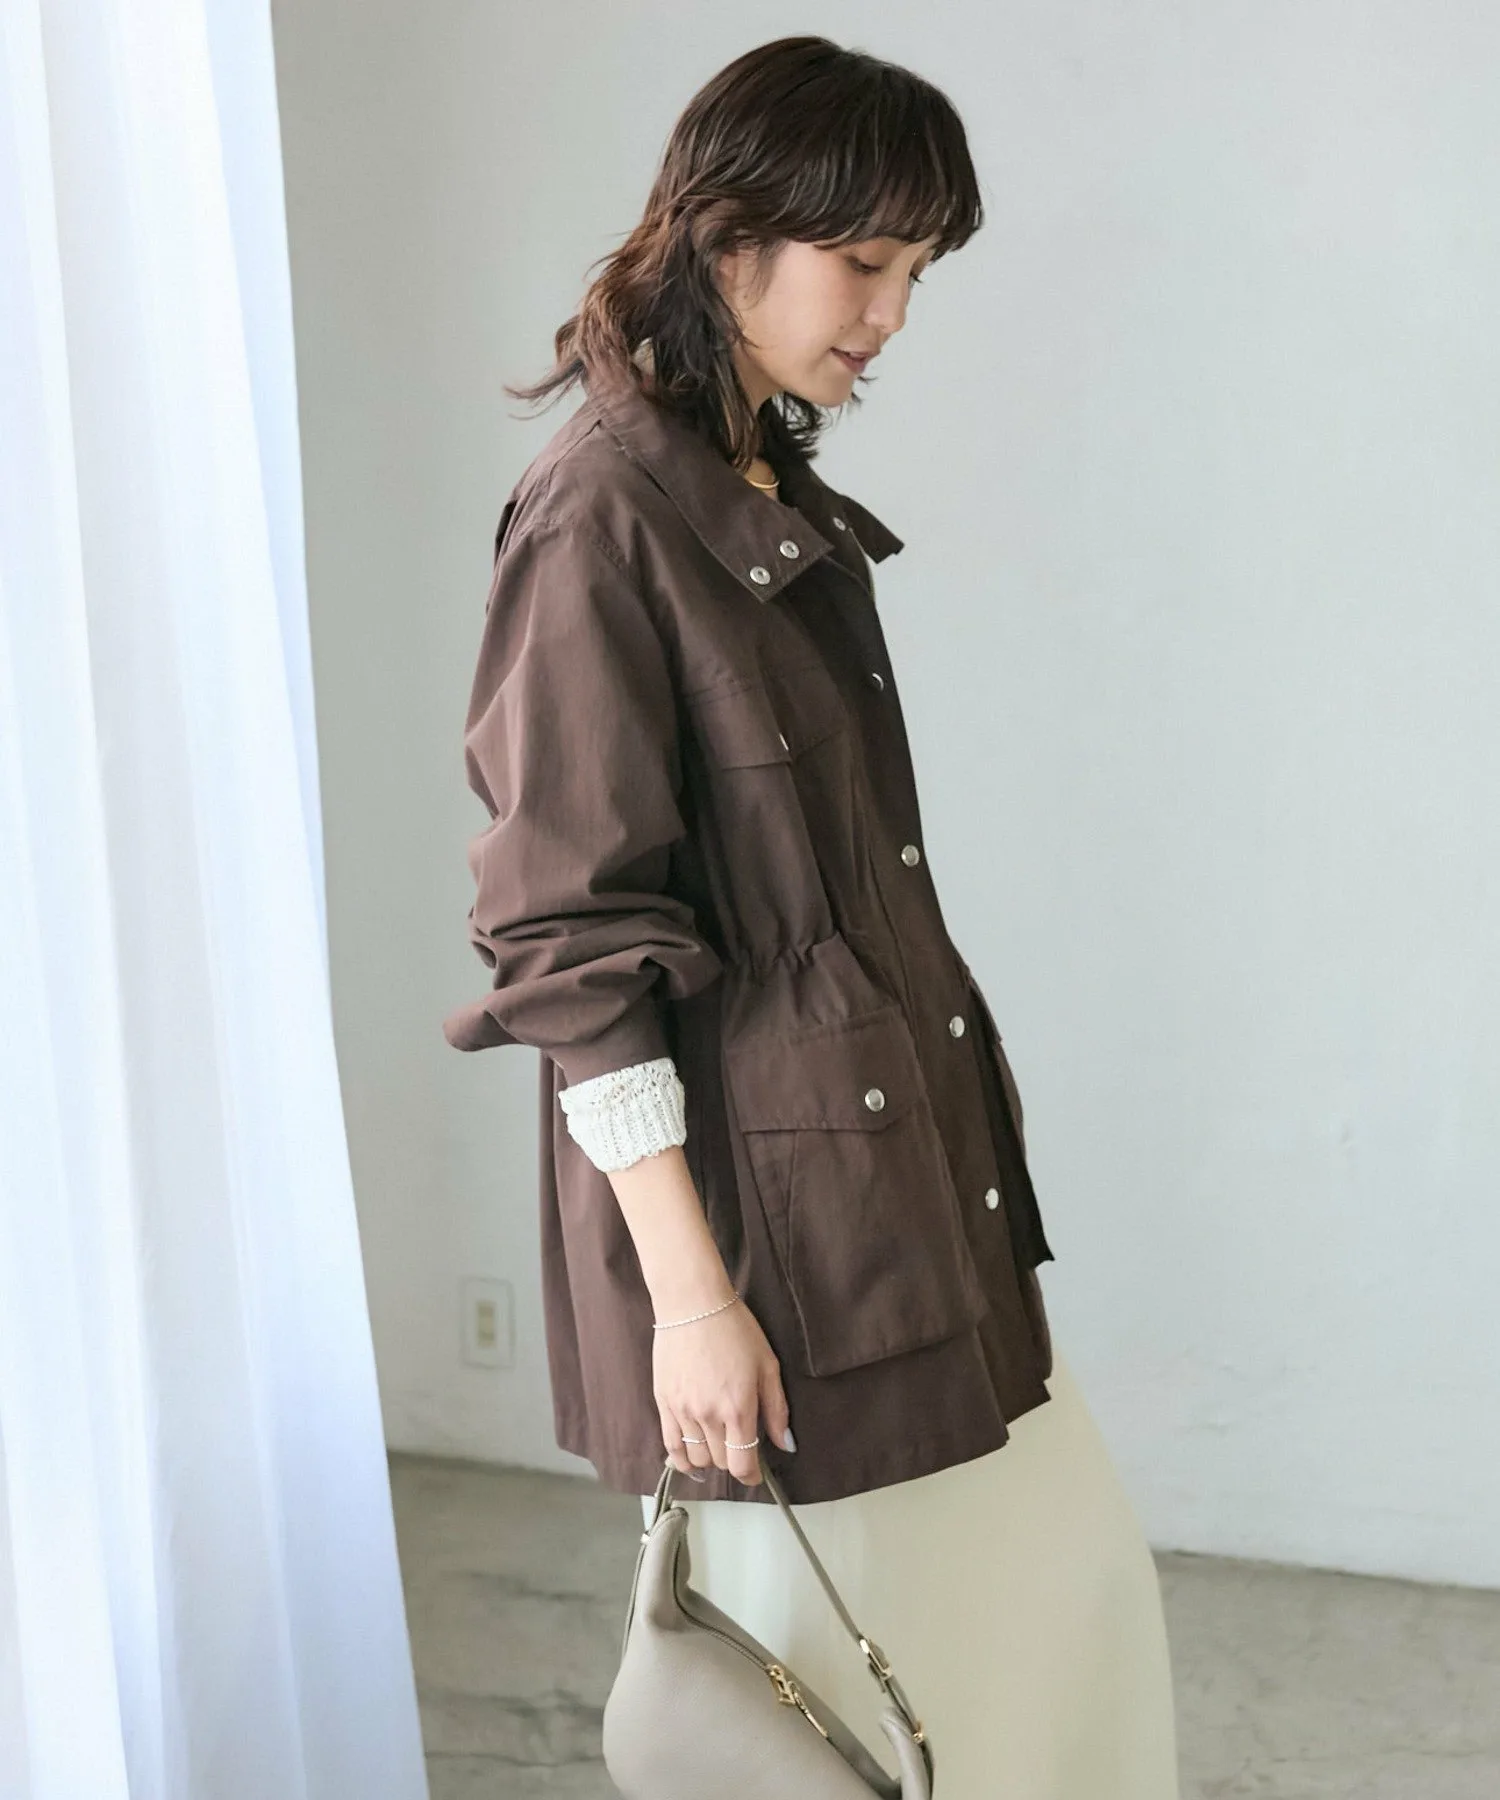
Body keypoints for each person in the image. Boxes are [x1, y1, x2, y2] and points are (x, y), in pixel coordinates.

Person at [445, 34, 1181, 1796]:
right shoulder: (599, 519)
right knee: (860, 1707)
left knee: (1057, 1641)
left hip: (903, 1194)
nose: (894, 316)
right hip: (776, 1261)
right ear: (727, 241)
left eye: (917, 272)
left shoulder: (755, 484)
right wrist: (691, 1304)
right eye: (865, 263)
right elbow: (567, 944)